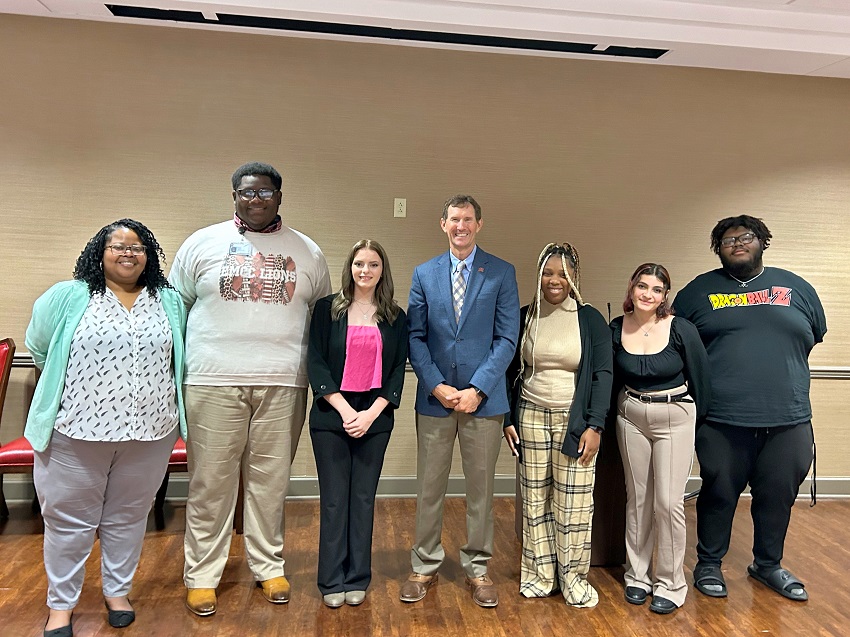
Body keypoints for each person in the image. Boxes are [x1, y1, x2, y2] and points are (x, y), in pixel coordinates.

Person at [169, 162, 331, 616]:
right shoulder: (202, 243)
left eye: (264, 193)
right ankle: (202, 575)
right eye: (246, 193)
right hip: (213, 380)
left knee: (270, 482)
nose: (254, 200)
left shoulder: (308, 251)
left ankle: (268, 565)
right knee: (210, 482)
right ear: (234, 196)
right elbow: (176, 310)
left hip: (283, 382)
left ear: (279, 196)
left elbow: (320, 319)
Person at [26, 219, 187, 637]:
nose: (127, 253)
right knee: (69, 523)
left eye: (137, 247)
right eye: (117, 245)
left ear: (148, 255)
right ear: (100, 252)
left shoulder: (167, 300)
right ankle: (60, 607)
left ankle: (118, 592)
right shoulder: (70, 295)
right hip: (76, 432)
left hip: (150, 433)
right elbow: (39, 347)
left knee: (128, 517)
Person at [673, 216, 826, 602]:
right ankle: (708, 564)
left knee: (777, 495)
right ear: (718, 250)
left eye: (745, 237)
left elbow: (813, 337)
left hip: (788, 418)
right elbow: (674, 345)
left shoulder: (797, 288)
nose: (737, 244)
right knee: (719, 492)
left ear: (762, 242)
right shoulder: (698, 292)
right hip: (722, 419)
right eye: (727, 241)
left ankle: (767, 565)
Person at [400, 195, 519, 608]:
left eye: (468, 219)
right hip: (435, 400)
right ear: (443, 224)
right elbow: (414, 336)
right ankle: (424, 564)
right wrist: (434, 385)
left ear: (479, 225)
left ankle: (478, 568)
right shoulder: (424, 273)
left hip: (483, 403)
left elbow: (507, 339)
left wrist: (478, 389)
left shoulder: (501, 273)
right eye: (454, 219)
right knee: (429, 487)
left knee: (481, 491)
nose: (461, 226)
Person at [503, 243, 612, 608]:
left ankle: (574, 579)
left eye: (563, 273)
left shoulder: (590, 318)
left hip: (575, 420)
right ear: (538, 275)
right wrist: (507, 419)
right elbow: (509, 371)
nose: (554, 280)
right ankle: (539, 576)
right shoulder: (525, 315)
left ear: (575, 277)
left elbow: (602, 375)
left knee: (574, 502)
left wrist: (595, 425)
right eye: (548, 272)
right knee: (535, 499)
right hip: (530, 415)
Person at [307, 239, 408, 608]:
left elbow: (397, 371)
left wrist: (369, 413)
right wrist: (346, 410)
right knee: (335, 501)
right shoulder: (326, 310)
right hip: (331, 416)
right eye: (359, 263)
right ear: (349, 267)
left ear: (383, 271)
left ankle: (357, 577)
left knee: (363, 499)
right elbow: (315, 362)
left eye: (374, 265)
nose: (365, 271)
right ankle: (331, 580)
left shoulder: (396, 317)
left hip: (375, 419)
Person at [611, 263, 710, 614]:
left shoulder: (681, 329)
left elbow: (702, 382)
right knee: (638, 500)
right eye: (642, 286)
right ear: (631, 288)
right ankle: (637, 575)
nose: (647, 294)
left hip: (675, 417)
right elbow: (609, 379)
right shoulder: (617, 327)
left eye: (656, 289)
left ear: (665, 295)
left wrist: (700, 429)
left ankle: (670, 582)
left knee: (667, 504)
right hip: (631, 416)